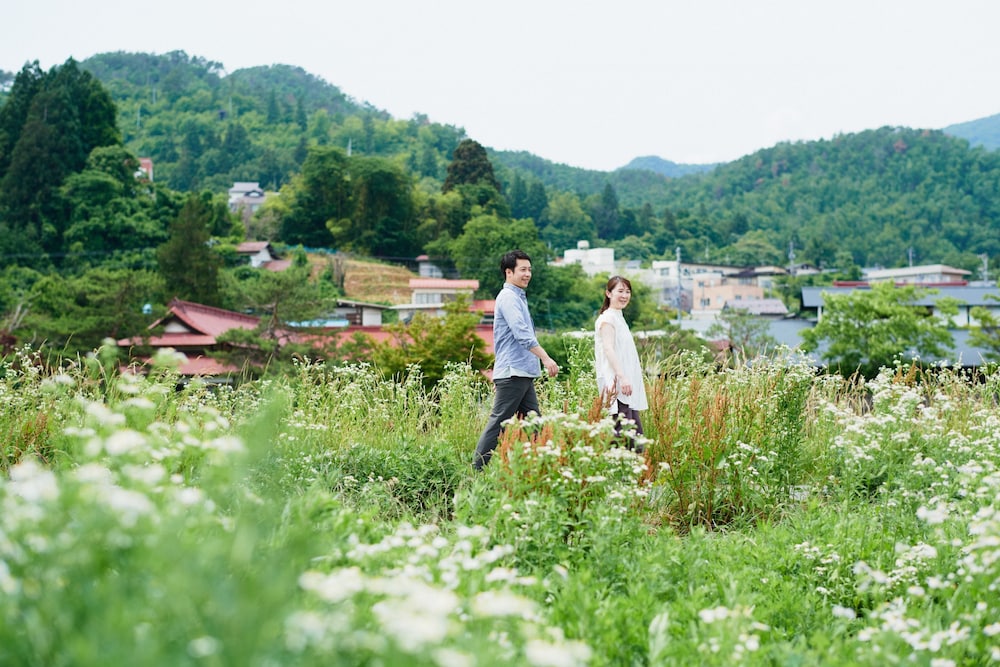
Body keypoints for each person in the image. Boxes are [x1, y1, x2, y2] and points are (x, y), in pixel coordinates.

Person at [472, 250, 559, 470]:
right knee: (499, 423)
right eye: (523, 269)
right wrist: (546, 359)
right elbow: (522, 334)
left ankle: (541, 470)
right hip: (513, 372)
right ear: (508, 272)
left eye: (529, 269)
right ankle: (477, 470)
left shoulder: (518, 296)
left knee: (534, 425)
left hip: (522, 372)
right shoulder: (509, 297)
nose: (528, 274)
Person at [594, 275, 648, 450]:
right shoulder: (607, 319)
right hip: (616, 385)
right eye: (620, 291)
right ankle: (618, 473)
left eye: (627, 292)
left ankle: (632, 473)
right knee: (623, 434)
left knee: (633, 435)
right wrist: (622, 377)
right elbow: (609, 350)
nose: (624, 295)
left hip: (626, 386)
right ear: (608, 293)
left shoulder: (618, 317)